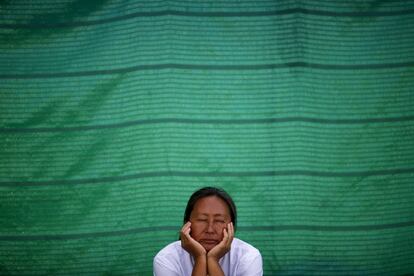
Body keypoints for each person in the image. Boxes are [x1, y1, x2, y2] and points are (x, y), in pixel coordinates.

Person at [153, 186, 263, 276]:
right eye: (202, 220)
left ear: (232, 227)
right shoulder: (166, 259)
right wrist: (200, 258)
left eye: (219, 221)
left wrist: (213, 260)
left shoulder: (248, 257)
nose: (210, 230)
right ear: (187, 224)